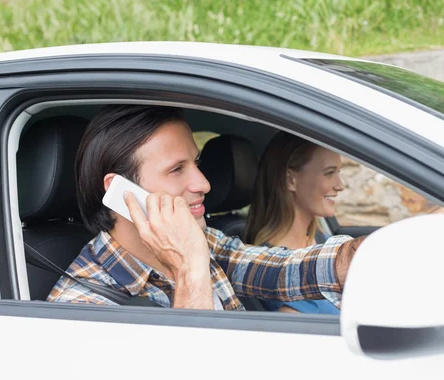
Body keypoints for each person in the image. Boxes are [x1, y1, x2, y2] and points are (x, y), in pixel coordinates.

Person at [47, 104, 365, 310]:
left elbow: (284, 270)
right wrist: (189, 271)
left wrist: (378, 252)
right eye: (176, 169)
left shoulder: (204, 240)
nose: (203, 184)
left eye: (196, 163)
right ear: (120, 192)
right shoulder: (83, 309)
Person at [244, 132, 345, 314]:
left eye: (338, 172)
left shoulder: (321, 238)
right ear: (291, 180)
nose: (340, 185)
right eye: (329, 173)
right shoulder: (276, 276)